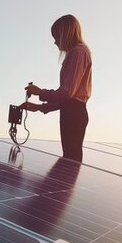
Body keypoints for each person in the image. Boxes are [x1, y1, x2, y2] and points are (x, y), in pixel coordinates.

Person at [21, 14, 92, 162]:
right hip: (71, 112)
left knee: (70, 160)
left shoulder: (78, 52)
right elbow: (68, 99)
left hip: (74, 114)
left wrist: (40, 92)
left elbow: (66, 93)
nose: (54, 42)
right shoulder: (77, 52)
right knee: (69, 159)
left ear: (65, 34)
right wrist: (40, 107)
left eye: (56, 36)